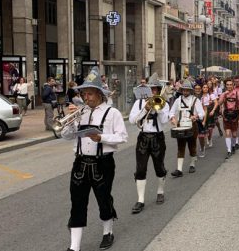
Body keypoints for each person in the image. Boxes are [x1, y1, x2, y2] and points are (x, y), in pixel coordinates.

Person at [61, 67, 128, 251]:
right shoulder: (80, 112)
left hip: (103, 163)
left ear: (99, 94)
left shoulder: (112, 113)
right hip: (80, 162)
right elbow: (66, 137)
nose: (86, 97)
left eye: (90, 93)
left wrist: (102, 138)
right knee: (77, 203)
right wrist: (70, 120)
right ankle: (74, 247)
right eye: (84, 94)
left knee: (103, 199)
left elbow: (122, 137)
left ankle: (108, 232)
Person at [128, 73, 170, 214]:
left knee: (159, 167)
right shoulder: (138, 103)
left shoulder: (163, 103)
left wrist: (157, 109)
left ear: (158, 90)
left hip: (158, 138)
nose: (152, 92)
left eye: (154, 89)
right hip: (143, 138)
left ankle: (160, 191)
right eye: (150, 89)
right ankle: (140, 200)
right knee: (140, 169)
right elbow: (133, 120)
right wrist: (145, 109)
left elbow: (165, 121)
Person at [169, 79, 205, 177]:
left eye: (187, 90)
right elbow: (171, 112)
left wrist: (196, 116)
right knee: (180, 147)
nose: (185, 92)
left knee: (192, 145)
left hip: (192, 126)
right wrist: (172, 118)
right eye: (184, 90)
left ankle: (192, 164)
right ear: (182, 90)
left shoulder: (195, 100)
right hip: (181, 125)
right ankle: (179, 169)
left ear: (190, 90)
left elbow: (202, 113)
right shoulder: (178, 100)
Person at [213, 78, 239, 159]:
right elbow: (219, 103)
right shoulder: (224, 94)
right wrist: (223, 95)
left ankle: (233, 145)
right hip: (226, 115)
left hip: (235, 115)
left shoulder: (237, 94)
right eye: (227, 85)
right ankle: (229, 150)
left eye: (230, 85)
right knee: (227, 133)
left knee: (234, 134)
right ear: (225, 86)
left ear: (233, 85)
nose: (229, 86)